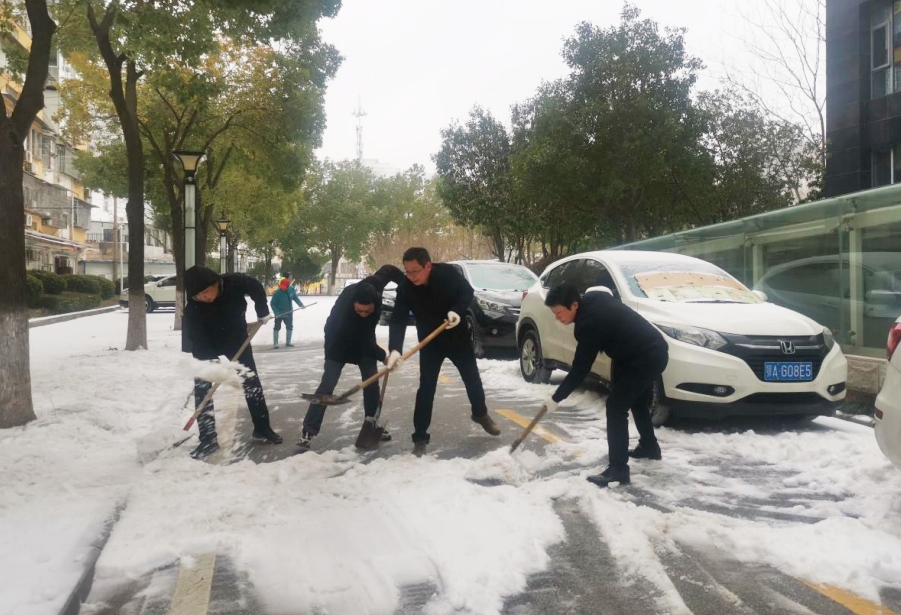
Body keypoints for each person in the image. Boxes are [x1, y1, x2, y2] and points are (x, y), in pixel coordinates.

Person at [543, 283, 668, 487]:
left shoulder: (588, 324)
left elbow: (580, 369)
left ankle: (618, 469)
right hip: (640, 352)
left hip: (645, 358)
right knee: (636, 402)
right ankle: (649, 447)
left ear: (574, 305)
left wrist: (556, 397)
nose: (557, 317)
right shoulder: (592, 300)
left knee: (616, 407)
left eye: (558, 313)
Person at [388, 247, 501, 457]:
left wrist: (456, 311)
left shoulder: (448, 274)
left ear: (428, 266)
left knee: (471, 377)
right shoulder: (405, 288)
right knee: (426, 386)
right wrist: (395, 349)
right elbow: (398, 319)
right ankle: (420, 437)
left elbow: (467, 292)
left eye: (415, 271)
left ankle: (480, 414)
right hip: (430, 342)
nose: (411, 276)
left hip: (456, 335)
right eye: (407, 271)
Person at [299, 265, 406, 450]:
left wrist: (407, 288)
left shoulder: (375, 286)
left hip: (365, 341)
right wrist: (383, 357)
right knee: (327, 386)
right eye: (359, 311)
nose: (364, 314)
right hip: (338, 342)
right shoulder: (345, 312)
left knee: (371, 384)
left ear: (376, 301)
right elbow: (361, 342)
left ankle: (371, 423)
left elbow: (389, 270)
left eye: (368, 311)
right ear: (353, 304)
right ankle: (308, 431)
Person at [183, 265, 283, 460]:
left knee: (250, 382)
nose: (203, 298)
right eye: (197, 296)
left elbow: (255, 287)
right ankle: (208, 439)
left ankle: (262, 428)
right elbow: (195, 339)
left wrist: (262, 310)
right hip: (206, 342)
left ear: (216, 283)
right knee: (203, 390)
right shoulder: (193, 309)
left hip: (236, 338)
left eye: (205, 292)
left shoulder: (235, 282)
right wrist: (209, 368)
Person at [269, 277, 304, 348]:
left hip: (289, 312)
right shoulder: (277, 293)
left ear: (288, 286)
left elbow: (295, 298)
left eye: (284, 287)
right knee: (277, 327)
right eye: (282, 287)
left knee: (289, 327)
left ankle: (288, 342)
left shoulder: (291, 290)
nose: (283, 288)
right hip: (279, 313)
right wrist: (276, 313)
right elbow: (272, 303)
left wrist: (301, 304)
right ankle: (275, 343)